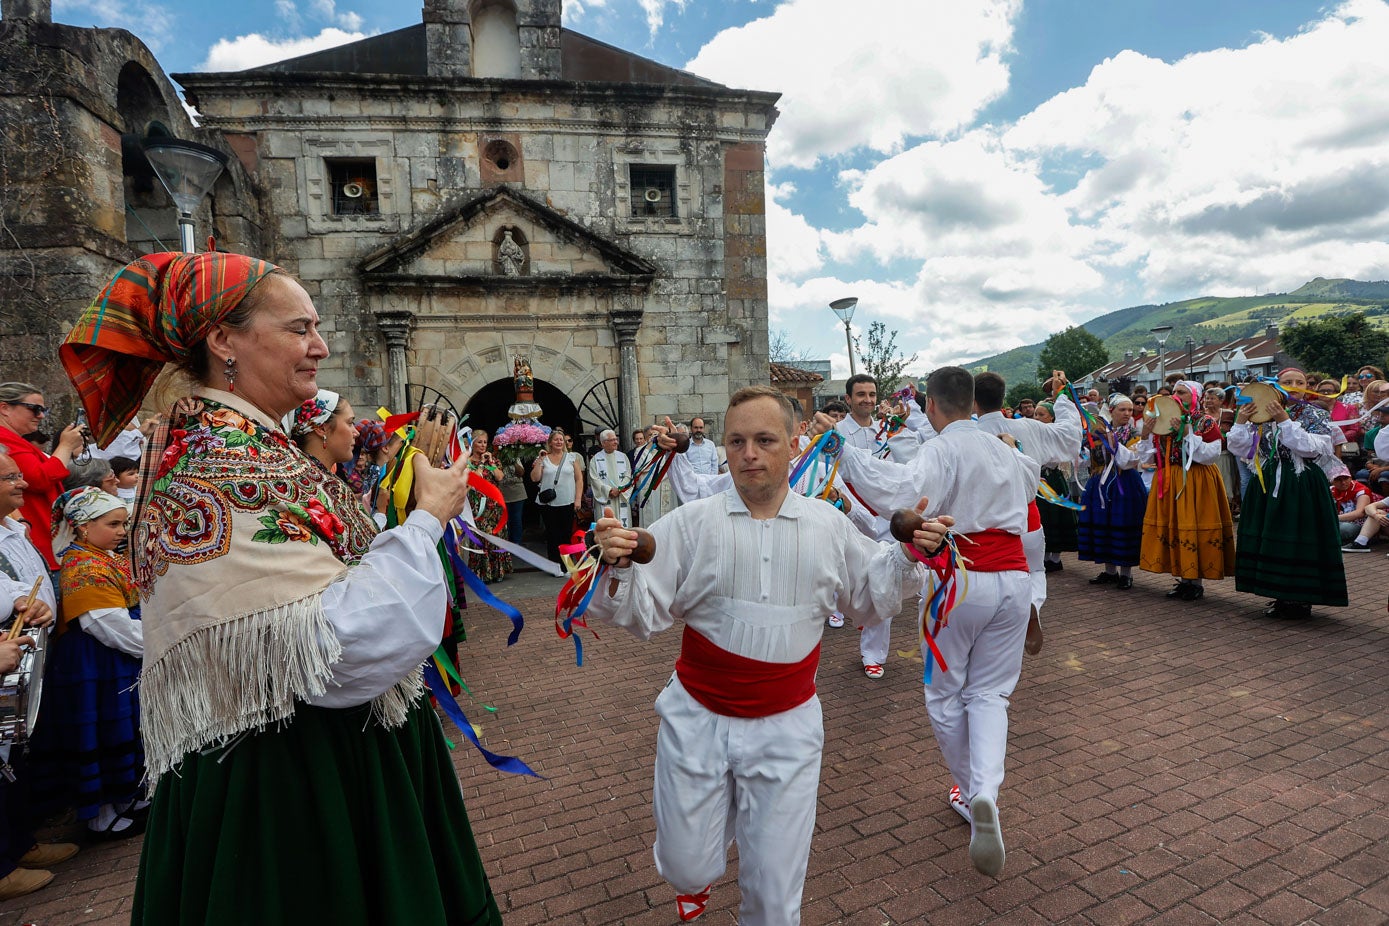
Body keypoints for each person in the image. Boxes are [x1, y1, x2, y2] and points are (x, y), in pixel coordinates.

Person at [58, 251, 502, 924]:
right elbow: (339, 646)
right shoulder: (217, 465)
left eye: (316, 328)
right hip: (294, 782)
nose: (319, 346)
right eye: (299, 328)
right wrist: (423, 523)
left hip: (308, 756)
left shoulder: (245, 451)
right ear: (223, 339)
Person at [588, 385, 939, 922]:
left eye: (764, 439)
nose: (748, 452)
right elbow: (641, 612)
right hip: (696, 719)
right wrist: (618, 563)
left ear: (796, 444)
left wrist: (911, 550)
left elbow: (870, 595)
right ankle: (697, 867)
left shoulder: (827, 525)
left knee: (775, 897)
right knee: (685, 864)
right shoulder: (690, 523)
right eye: (737, 441)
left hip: (788, 728)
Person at [813, 366, 1039, 878]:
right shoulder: (1003, 448)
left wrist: (841, 450)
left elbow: (897, 491)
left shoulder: (941, 449)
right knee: (990, 694)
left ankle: (973, 788)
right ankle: (983, 791)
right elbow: (1030, 482)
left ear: (932, 407)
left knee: (944, 692)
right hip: (1014, 583)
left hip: (961, 579)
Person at [28, 487, 146, 839]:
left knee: (122, 727)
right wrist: (157, 643)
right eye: (113, 524)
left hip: (112, 661)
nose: (122, 531)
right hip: (95, 664)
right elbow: (111, 627)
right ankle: (102, 815)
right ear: (82, 527)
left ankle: (125, 800)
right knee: (101, 732)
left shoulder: (104, 557)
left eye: (123, 524)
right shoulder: (84, 567)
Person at [0, 448, 72, 902]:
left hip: (20, 648)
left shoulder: (13, 524)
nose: (22, 483)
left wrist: (24, 600)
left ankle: (20, 844)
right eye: (11, 477)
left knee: (13, 761)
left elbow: (15, 582)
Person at [974, 372, 1082, 656]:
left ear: (974, 402)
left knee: (989, 576)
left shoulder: (970, 436)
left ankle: (990, 631)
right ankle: (1031, 604)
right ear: (1003, 397)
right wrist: (1062, 398)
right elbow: (1071, 437)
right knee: (1034, 569)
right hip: (1027, 514)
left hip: (988, 520)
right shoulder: (1029, 427)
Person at [1227, 368, 1348, 618]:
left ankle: (1301, 598)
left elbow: (1310, 449)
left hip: (1302, 482)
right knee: (1272, 533)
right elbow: (1240, 448)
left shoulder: (1315, 413)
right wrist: (1240, 420)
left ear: (1307, 386)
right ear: (1275, 386)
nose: (1294, 385)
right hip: (1270, 480)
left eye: (1300, 382)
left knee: (1299, 535)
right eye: (1287, 382)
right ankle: (1280, 593)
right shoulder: (1260, 415)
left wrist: (1283, 419)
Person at [1135, 380, 1235, 601]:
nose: (1175, 395)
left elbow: (1210, 455)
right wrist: (1145, 435)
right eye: (1174, 392)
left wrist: (1188, 434)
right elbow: (1148, 459)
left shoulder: (1204, 421)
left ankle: (1195, 582)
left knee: (1193, 526)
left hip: (1196, 479)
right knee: (1177, 528)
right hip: (1171, 479)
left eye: (1181, 392)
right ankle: (1184, 577)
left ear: (1195, 396)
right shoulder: (1163, 423)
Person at [0, 384, 85, 571]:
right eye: (35, 409)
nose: (41, 416)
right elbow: (39, 479)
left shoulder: (14, 439)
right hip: (36, 535)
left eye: (43, 409)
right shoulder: (4, 439)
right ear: (4, 408)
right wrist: (67, 445)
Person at [1077, 395, 1147, 589]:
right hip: (1099, 483)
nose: (1127, 414)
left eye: (1130, 410)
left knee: (1123, 524)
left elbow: (1130, 461)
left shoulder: (1133, 433)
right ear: (1111, 411)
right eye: (1122, 410)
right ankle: (1109, 571)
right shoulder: (1097, 432)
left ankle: (1126, 574)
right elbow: (1085, 459)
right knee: (1103, 523)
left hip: (1125, 483)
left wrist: (1112, 441)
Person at [531, 427, 583, 562]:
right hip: (548, 502)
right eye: (556, 440)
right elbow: (535, 478)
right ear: (550, 442)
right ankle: (554, 563)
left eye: (561, 440)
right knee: (552, 534)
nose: (559, 442)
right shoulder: (544, 458)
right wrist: (540, 461)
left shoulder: (572, 458)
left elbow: (579, 479)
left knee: (565, 534)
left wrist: (578, 499)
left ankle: (566, 563)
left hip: (567, 500)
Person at [466, 430, 510, 583]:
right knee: (480, 536)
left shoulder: (493, 461)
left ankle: (496, 571)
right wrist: (481, 465)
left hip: (494, 507)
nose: (483, 445)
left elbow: (500, 477)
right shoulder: (468, 462)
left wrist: (490, 463)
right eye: (479, 442)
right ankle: (481, 571)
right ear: (473, 443)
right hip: (478, 506)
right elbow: (474, 480)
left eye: (485, 442)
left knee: (495, 536)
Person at [588, 429, 634, 527]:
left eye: (616, 439)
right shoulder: (596, 459)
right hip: (606, 497)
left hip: (621, 496)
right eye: (612, 440)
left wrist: (620, 489)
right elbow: (594, 479)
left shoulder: (623, 457)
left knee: (623, 526)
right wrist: (609, 491)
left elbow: (628, 475)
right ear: (604, 443)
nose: (616, 442)